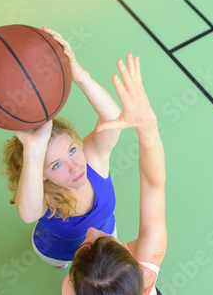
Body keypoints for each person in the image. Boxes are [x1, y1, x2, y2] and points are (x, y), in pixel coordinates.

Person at [2, 27, 122, 268]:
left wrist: (80, 76)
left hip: (107, 236)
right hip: (59, 251)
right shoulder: (43, 196)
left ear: (78, 142)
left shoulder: (93, 161)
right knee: (66, 269)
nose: (75, 166)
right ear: (41, 174)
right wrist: (34, 151)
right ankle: (61, 264)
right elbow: (28, 215)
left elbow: (113, 119)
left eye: (72, 150)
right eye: (56, 165)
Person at [61, 53, 167, 295]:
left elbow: (154, 185)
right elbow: (153, 183)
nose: (92, 230)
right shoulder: (148, 261)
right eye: (106, 240)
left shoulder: (68, 289)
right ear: (136, 270)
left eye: (83, 247)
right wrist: (147, 126)